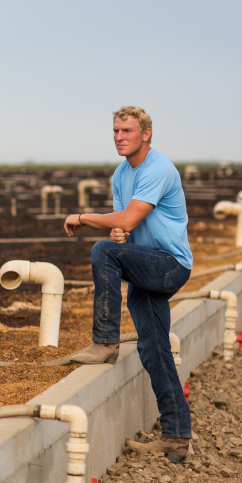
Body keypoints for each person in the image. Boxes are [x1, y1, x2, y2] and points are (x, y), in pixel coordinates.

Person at [62, 106, 193, 463]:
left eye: (127, 131)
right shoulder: (121, 175)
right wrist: (118, 229)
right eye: (116, 131)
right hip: (144, 264)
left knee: (101, 251)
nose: (120, 137)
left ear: (146, 134)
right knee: (154, 350)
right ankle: (177, 438)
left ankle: (104, 341)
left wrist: (83, 217)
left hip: (169, 265)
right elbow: (124, 228)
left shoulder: (158, 168)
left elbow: (126, 218)